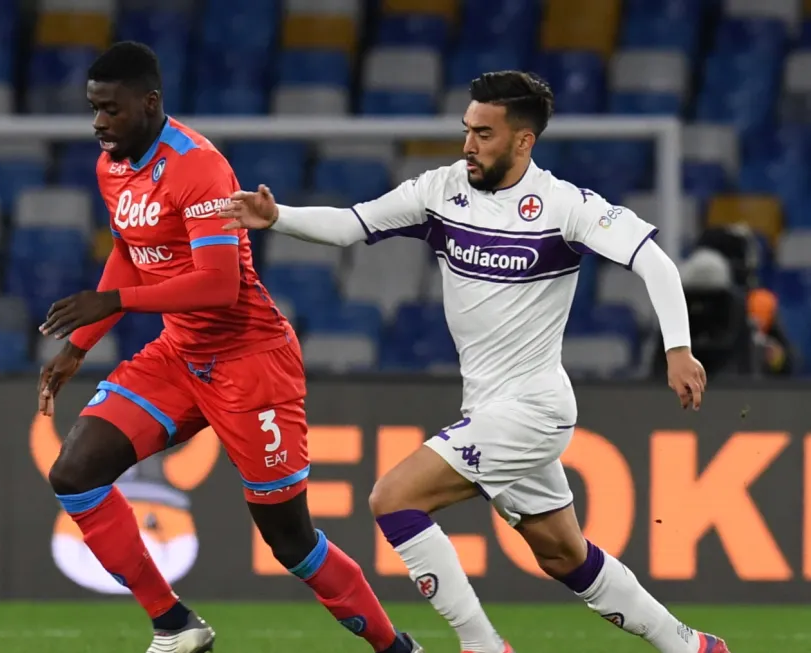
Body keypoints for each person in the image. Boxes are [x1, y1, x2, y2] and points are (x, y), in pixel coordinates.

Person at [219, 70, 730, 653]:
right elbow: (353, 224)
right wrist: (277, 215)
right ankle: (693, 647)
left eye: (484, 134)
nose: (468, 144)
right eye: (467, 129)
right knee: (563, 554)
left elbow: (656, 262)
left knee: (394, 498)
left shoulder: (565, 207)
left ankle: (482, 645)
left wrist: (678, 348)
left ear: (523, 141)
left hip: (534, 407)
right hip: (487, 405)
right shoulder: (441, 192)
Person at [36, 41, 420, 653]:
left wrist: (112, 304)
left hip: (250, 362)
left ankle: (398, 649)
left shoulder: (198, 166)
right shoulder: (112, 167)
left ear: (150, 102)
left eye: (111, 109)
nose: (98, 123)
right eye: (94, 109)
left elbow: (218, 286)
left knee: (290, 540)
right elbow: (129, 251)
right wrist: (80, 346)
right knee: (75, 472)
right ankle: (175, 625)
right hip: (180, 356)